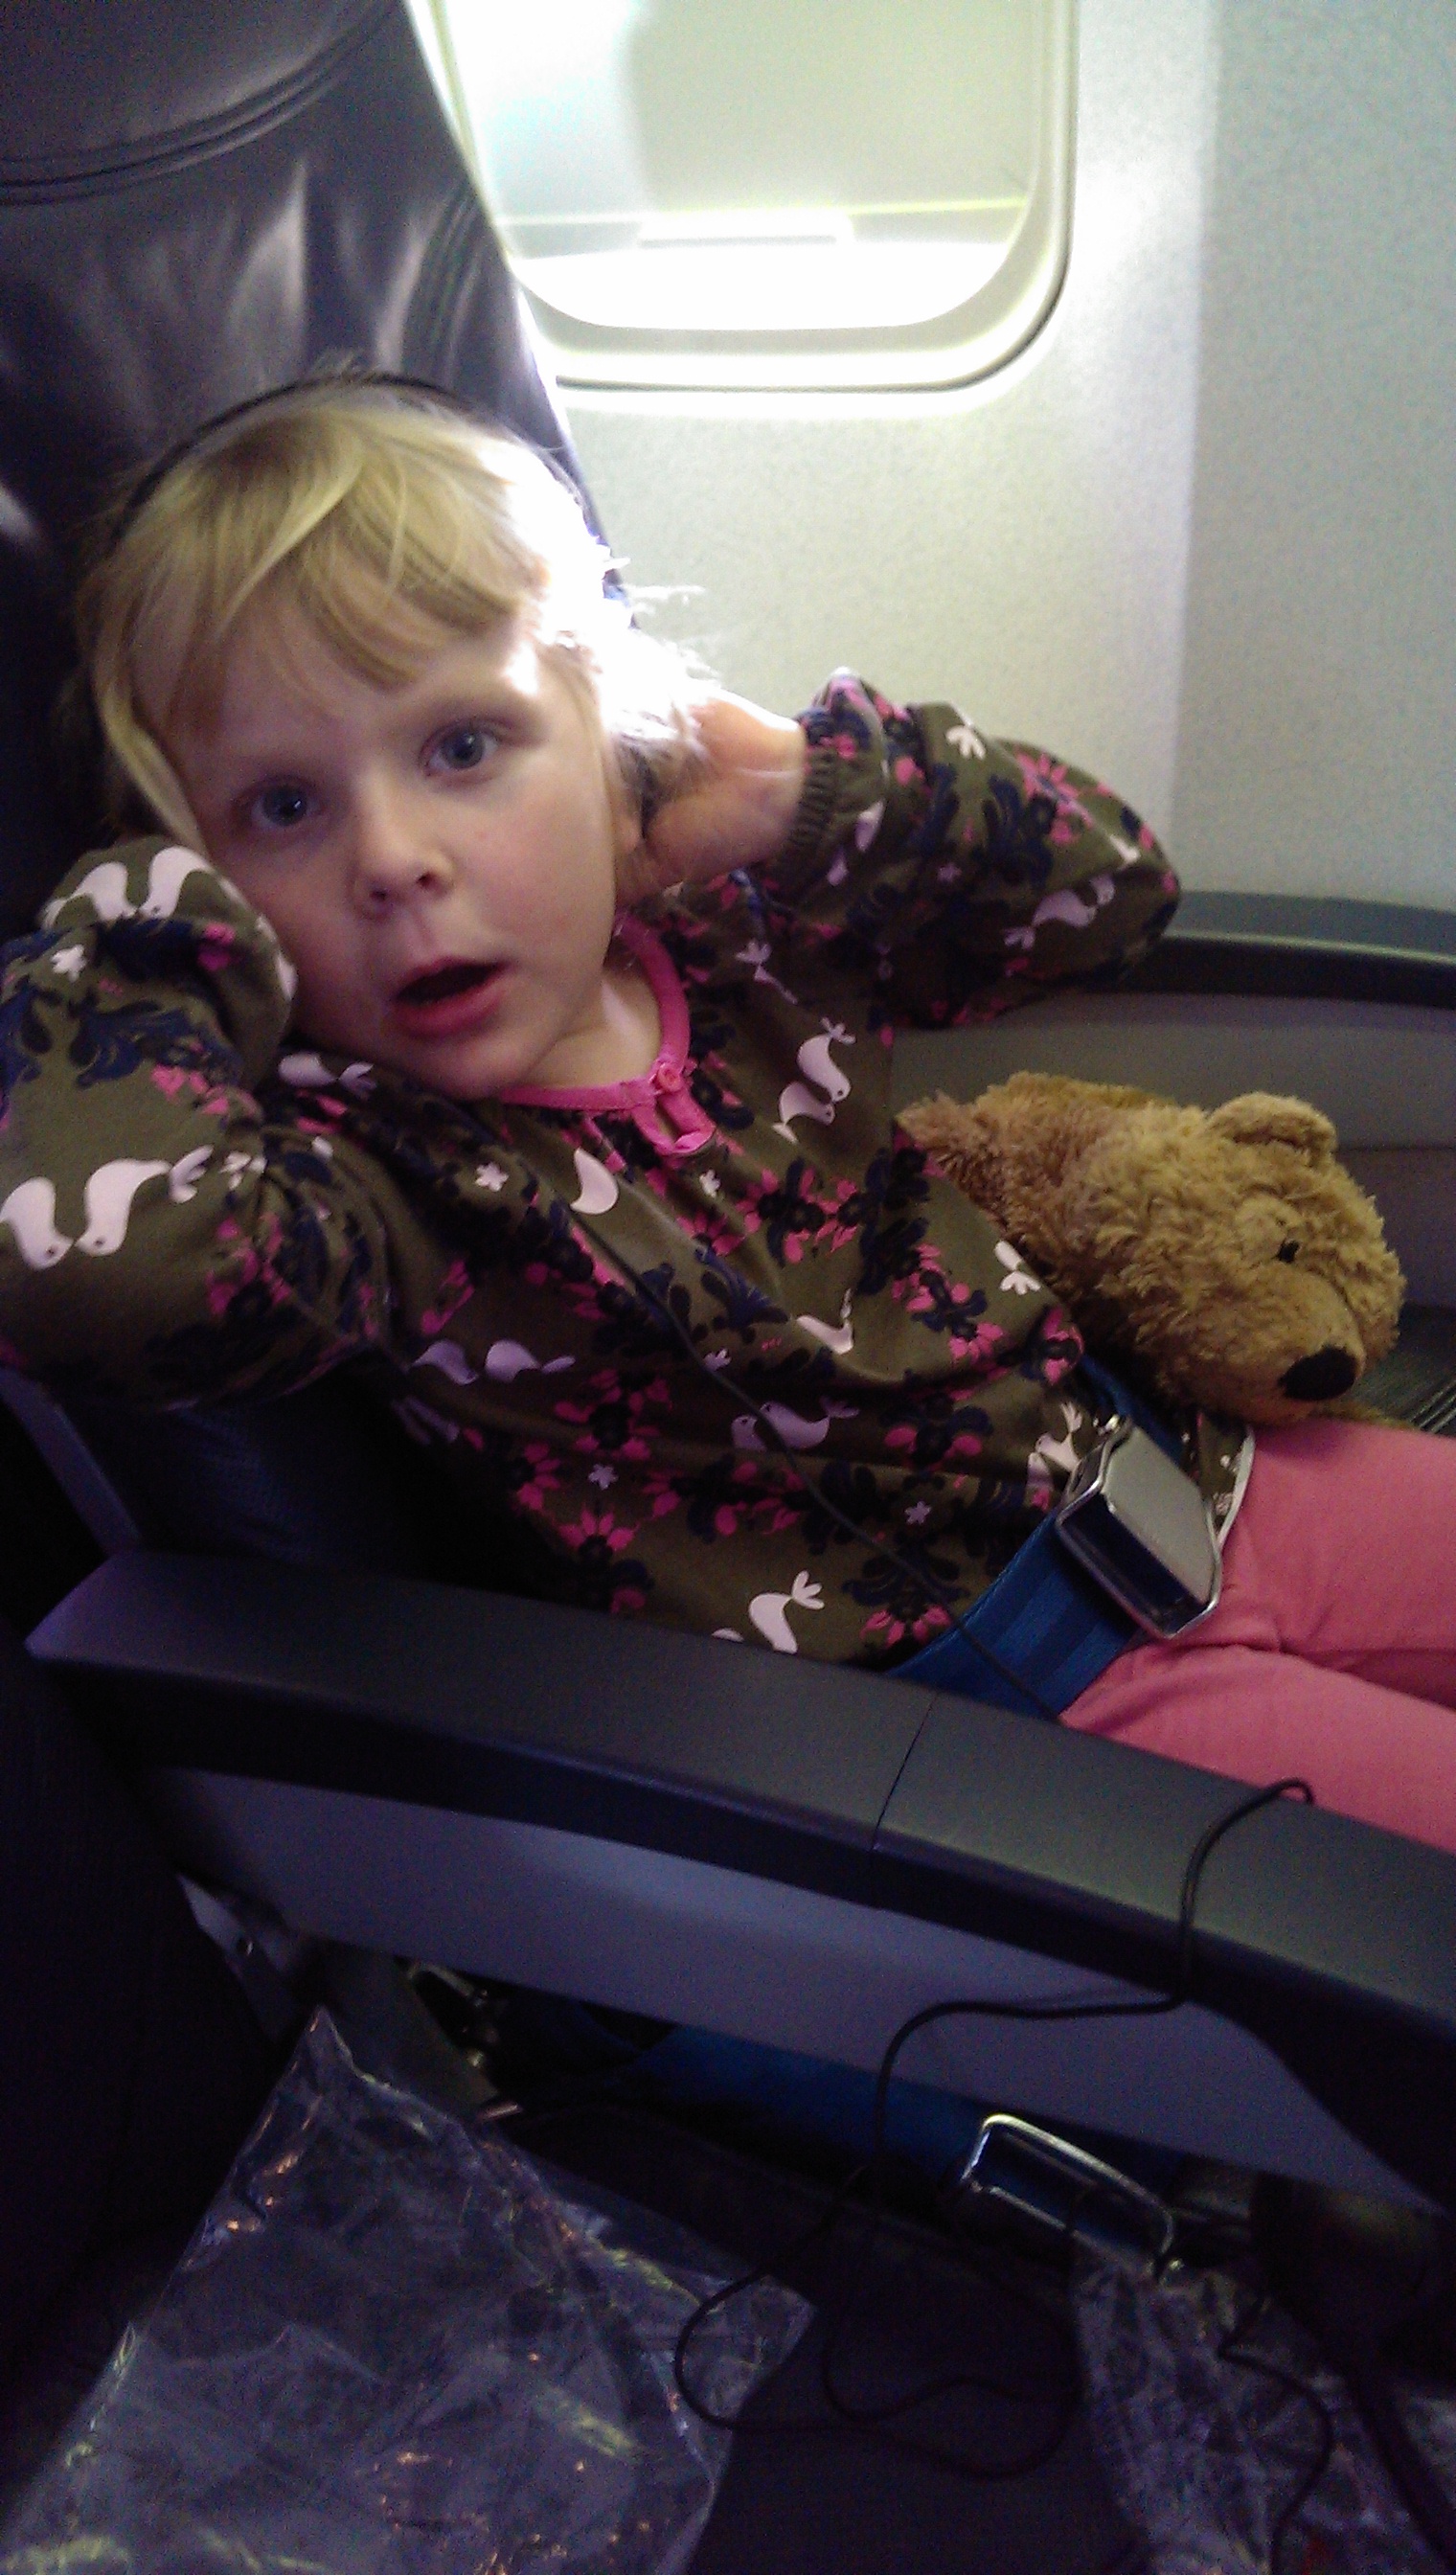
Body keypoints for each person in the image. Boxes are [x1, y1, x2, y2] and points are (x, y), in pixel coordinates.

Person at [3, 376, 1456, 1856]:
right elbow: (90, 1281)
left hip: (1198, 1478)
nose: (391, 858)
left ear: (608, 730)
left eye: (463, 748)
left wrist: (806, 791)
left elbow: (1114, 890)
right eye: (281, 809)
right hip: (1028, 1714)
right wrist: (141, 944)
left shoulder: (737, 936)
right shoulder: (372, 1169)